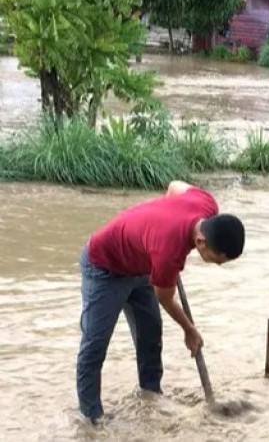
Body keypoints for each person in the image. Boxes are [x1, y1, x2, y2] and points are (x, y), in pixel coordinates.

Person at [76, 180, 245, 424]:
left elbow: (175, 186)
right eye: (217, 260)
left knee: (151, 336)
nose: (217, 264)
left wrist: (163, 219)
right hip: (104, 268)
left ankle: (151, 398)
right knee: (94, 346)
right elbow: (164, 297)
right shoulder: (168, 253)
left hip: (142, 263)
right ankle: (91, 422)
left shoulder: (206, 203)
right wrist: (190, 331)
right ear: (201, 242)